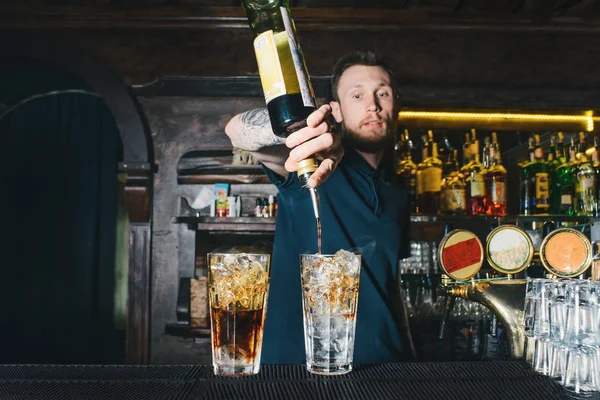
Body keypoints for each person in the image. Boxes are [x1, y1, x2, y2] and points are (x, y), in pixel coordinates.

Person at [225, 50, 415, 364]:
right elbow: (237, 131)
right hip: (301, 373)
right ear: (336, 111)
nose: (372, 105)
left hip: (386, 370)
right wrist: (299, 130)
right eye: (357, 95)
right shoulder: (313, 165)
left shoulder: (396, 193)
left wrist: (410, 356)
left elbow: (390, 288)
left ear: (396, 106)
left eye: (383, 93)